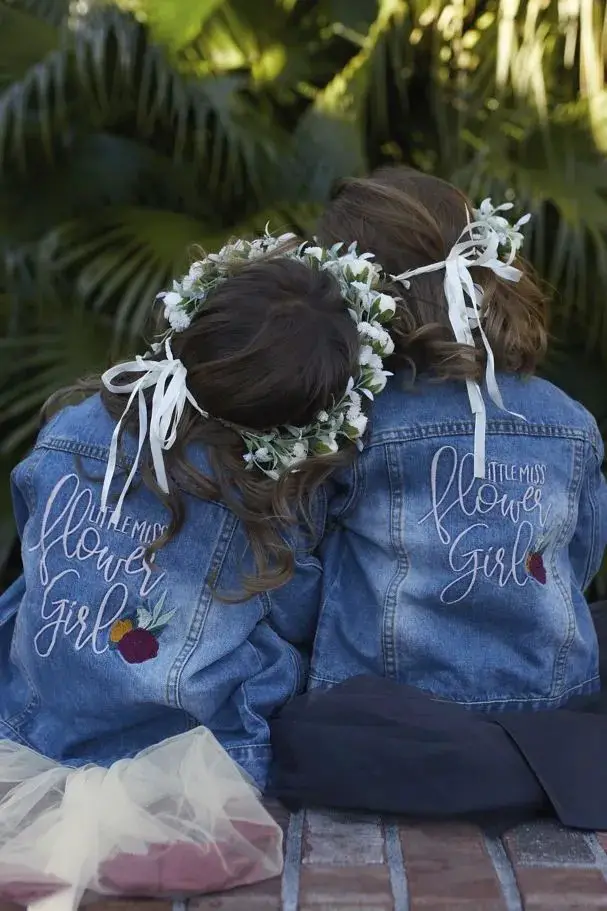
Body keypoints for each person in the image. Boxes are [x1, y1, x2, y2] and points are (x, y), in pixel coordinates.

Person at [0, 232, 400, 908]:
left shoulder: (72, 425)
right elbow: (301, 618)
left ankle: (63, 830)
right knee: (275, 648)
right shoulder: (267, 499)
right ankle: (132, 840)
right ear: (293, 418)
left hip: (37, 729)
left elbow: (32, 527)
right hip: (187, 761)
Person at [307, 166, 607, 710]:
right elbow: (578, 561)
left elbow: (304, 576)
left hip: (384, 735)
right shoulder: (569, 420)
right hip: (543, 730)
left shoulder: (355, 424)